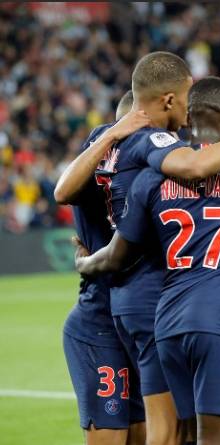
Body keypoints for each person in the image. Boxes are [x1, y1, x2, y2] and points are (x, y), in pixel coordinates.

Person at [54, 51, 220, 445]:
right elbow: (200, 166)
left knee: (171, 431)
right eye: (187, 99)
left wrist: (110, 134)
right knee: (176, 432)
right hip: (151, 298)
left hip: (108, 302)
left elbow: (63, 191)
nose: (190, 112)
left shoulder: (104, 141)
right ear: (169, 100)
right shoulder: (155, 143)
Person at [60, 96, 149, 445]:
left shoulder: (148, 169)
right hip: (100, 322)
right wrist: (112, 134)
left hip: (140, 325)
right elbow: (63, 191)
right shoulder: (97, 164)